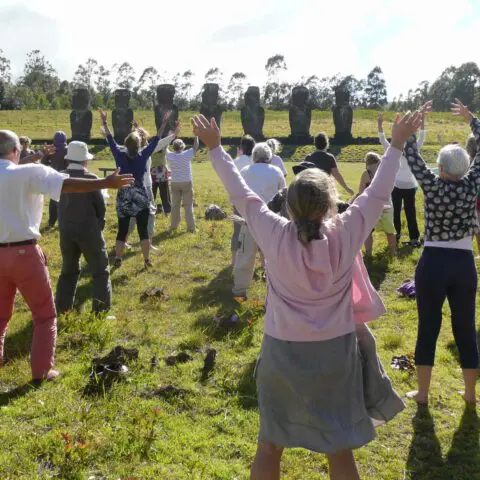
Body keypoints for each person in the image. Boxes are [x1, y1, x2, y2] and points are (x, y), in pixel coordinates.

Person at [192, 112, 420, 480]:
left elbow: (241, 193)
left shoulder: (273, 231)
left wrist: (216, 148)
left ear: (289, 204)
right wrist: (395, 143)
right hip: (336, 352)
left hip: (281, 351)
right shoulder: (347, 232)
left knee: (269, 446)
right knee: (339, 450)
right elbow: (378, 192)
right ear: (331, 204)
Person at [0, 130, 133, 383]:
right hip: (24, 252)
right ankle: (41, 371)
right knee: (44, 315)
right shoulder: (30, 172)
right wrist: (105, 183)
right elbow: (67, 183)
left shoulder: (23, 170)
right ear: (16, 151)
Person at [405, 99, 479, 406]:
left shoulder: (433, 186)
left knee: (428, 326)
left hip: (434, 262)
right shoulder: (473, 184)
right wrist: (472, 120)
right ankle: (471, 395)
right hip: (464, 263)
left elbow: (411, 154)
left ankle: (422, 393)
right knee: (465, 328)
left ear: (442, 168)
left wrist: (415, 123)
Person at [100, 109, 171, 268]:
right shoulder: (143, 155)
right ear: (139, 145)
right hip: (140, 195)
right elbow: (156, 139)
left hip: (124, 194)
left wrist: (104, 121)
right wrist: (164, 122)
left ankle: (118, 258)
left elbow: (110, 138)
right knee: (143, 231)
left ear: (125, 144)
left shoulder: (119, 154)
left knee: (122, 230)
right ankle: (146, 260)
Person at [55, 141, 111, 315]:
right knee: (100, 271)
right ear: (85, 161)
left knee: (68, 271)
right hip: (89, 231)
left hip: (66, 231)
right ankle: (100, 311)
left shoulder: (59, 178)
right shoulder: (91, 179)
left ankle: (63, 309)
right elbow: (100, 207)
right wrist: (100, 225)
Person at [233, 142, 286, 298]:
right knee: (274, 259)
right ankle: (277, 292)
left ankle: (239, 291)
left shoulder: (244, 171)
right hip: (271, 221)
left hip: (250, 219)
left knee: (245, 257)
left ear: (254, 157)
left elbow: (237, 195)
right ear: (269, 157)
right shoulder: (277, 171)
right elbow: (283, 196)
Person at [378, 112, 425, 247]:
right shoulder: (414, 150)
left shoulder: (394, 149)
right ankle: (411, 238)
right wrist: (422, 120)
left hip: (402, 187)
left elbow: (383, 140)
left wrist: (380, 125)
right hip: (404, 187)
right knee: (408, 213)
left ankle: (399, 237)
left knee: (399, 212)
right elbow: (422, 136)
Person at [358, 152, 397, 256]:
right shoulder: (385, 172)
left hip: (370, 205)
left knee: (368, 231)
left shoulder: (366, 173)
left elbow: (361, 191)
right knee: (390, 230)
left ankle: (369, 254)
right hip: (386, 203)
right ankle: (393, 252)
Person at [166, 133, 200, 233]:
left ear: (174, 147)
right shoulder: (187, 154)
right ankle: (191, 227)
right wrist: (196, 136)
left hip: (174, 182)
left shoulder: (170, 155)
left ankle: (173, 225)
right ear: (183, 146)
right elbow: (196, 146)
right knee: (188, 206)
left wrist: (169, 137)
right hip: (186, 182)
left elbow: (165, 147)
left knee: (175, 205)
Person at [231, 135, 256, 266]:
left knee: (237, 230)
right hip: (253, 200)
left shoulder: (236, 161)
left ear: (242, 147)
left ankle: (234, 261)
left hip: (238, 199)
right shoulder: (255, 161)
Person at [42, 131, 68, 228]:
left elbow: (43, 162)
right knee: (66, 200)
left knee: (53, 201)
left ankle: (51, 222)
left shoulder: (52, 150)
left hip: (54, 176)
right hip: (66, 176)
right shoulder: (68, 149)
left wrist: (49, 162)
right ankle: (64, 222)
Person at [466, 133, 480, 256]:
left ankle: (465, 253)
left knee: (469, 231)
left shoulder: (467, 164)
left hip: (471, 203)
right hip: (475, 203)